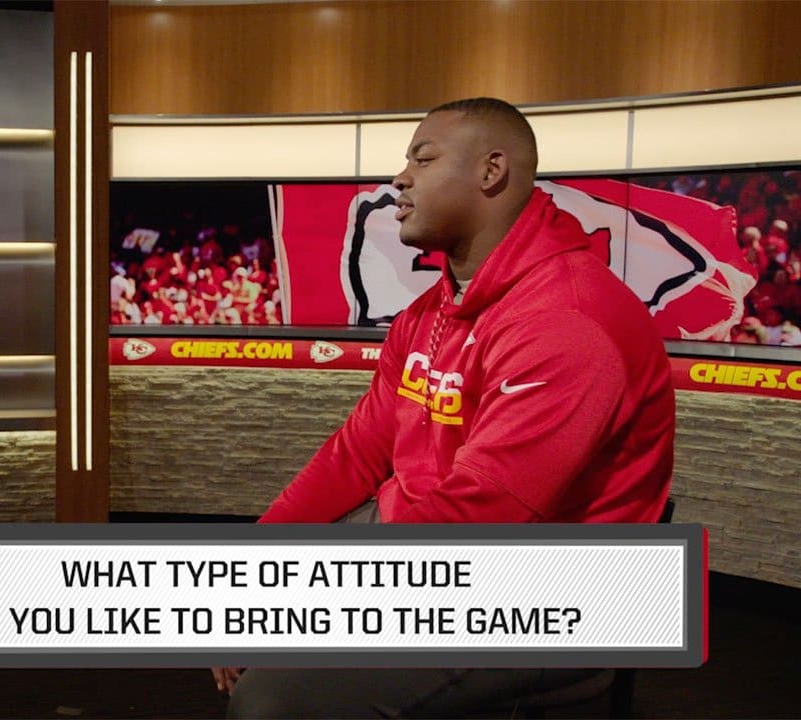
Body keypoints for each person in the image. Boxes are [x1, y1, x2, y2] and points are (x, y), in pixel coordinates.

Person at [213, 97, 676, 718]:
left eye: (423, 159)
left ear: (491, 171)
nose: (400, 178)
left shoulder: (566, 321)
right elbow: (359, 452)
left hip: (539, 590)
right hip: (429, 544)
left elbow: (483, 516)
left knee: (270, 704)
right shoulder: (430, 310)